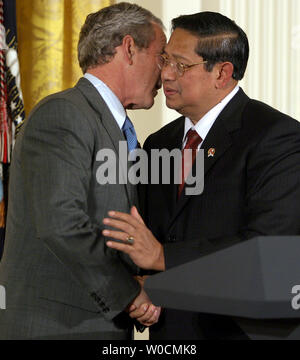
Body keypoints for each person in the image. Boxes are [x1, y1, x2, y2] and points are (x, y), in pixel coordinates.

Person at [103, 11, 300, 339]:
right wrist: (141, 295)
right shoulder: (158, 144)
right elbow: (146, 237)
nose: (164, 73)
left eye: (180, 65)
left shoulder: (277, 137)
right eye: (164, 59)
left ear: (222, 73)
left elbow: (267, 249)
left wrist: (164, 257)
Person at [0, 2, 166, 340]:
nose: (166, 72)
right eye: (161, 57)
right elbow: (62, 223)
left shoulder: (111, 126)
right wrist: (130, 293)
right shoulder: (64, 114)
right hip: (55, 327)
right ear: (130, 49)